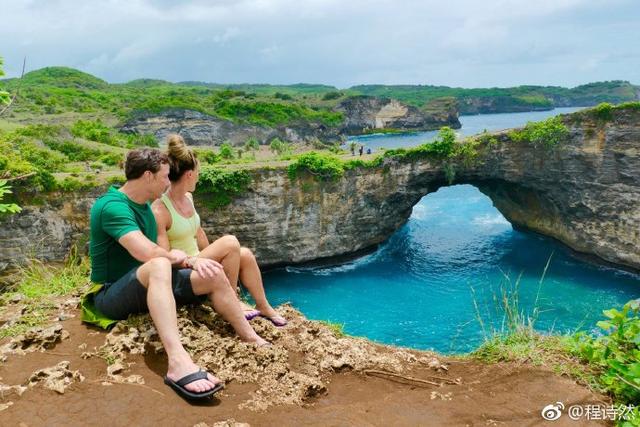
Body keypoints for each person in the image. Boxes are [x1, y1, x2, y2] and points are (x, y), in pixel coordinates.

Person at [81, 148, 268, 401]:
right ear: (148, 176)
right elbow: (145, 251)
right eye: (166, 176)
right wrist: (187, 258)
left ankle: (249, 336)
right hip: (109, 296)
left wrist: (196, 262)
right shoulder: (112, 206)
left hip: (144, 286)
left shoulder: (146, 205)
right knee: (158, 263)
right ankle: (178, 362)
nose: (169, 182)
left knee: (213, 272)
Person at [152, 134, 287, 327]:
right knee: (231, 242)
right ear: (189, 174)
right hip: (183, 270)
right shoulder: (160, 209)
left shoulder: (188, 198)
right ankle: (230, 301)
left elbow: (199, 234)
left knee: (245, 255)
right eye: (198, 172)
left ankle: (264, 305)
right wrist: (199, 260)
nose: (199, 176)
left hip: (199, 261)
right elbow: (164, 257)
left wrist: (216, 257)